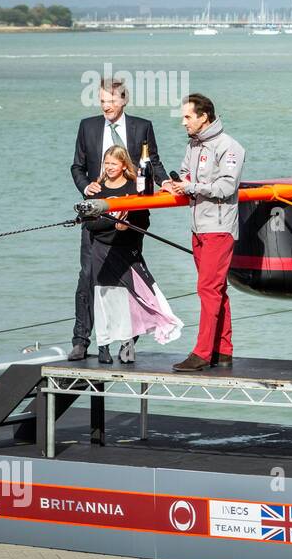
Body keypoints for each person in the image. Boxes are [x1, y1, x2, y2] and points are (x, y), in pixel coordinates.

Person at [69, 78, 167, 361]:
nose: (106, 107)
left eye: (111, 102)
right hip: (97, 215)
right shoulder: (87, 126)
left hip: (132, 215)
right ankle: (81, 339)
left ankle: (128, 340)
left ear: (124, 100)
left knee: (130, 277)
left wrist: (166, 183)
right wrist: (86, 186)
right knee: (88, 276)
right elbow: (77, 166)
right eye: (102, 101)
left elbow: (154, 163)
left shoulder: (141, 126)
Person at [162, 93, 245, 372]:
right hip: (198, 227)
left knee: (207, 289)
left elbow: (226, 188)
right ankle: (223, 350)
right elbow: (187, 175)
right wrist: (174, 184)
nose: (183, 122)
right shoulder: (194, 145)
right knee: (216, 290)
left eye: (187, 117)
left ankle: (201, 352)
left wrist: (191, 187)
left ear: (203, 117)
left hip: (219, 229)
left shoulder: (230, 147)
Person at [84, 147, 183, 363]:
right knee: (104, 298)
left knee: (134, 298)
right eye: (106, 163)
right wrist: (114, 225)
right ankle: (103, 346)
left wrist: (126, 228)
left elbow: (143, 220)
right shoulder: (95, 189)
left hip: (126, 249)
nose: (109, 167)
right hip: (102, 249)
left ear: (123, 165)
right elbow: (90, 224)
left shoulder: (134, 187)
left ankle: (127, 342)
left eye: (114, 163)